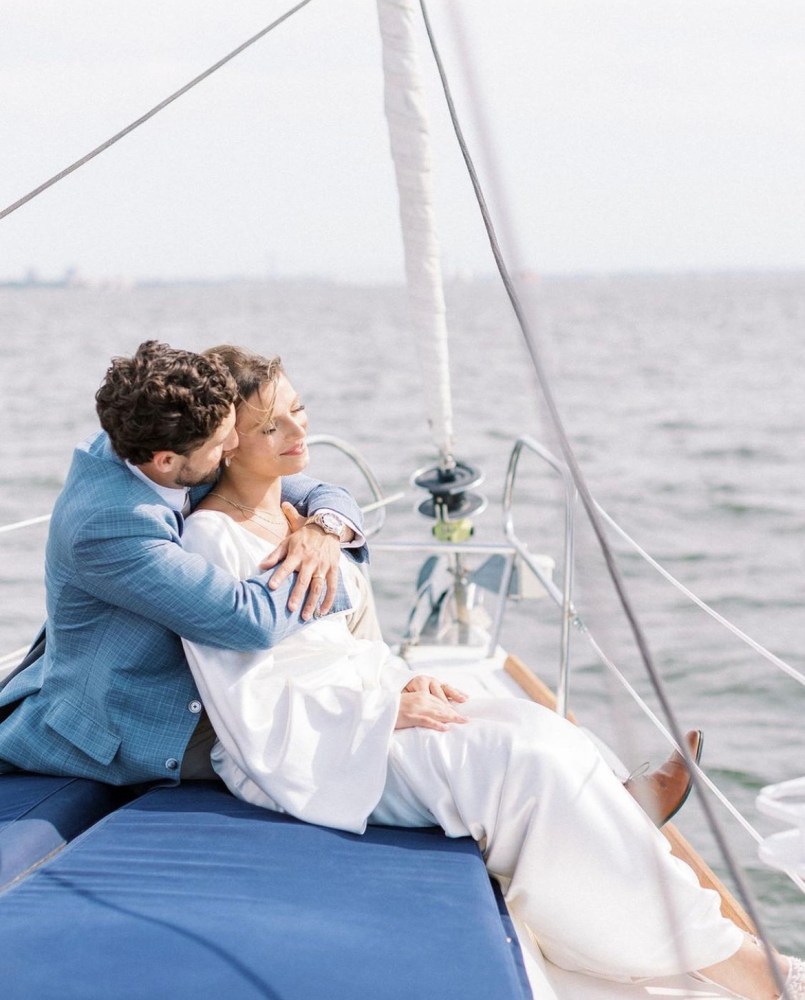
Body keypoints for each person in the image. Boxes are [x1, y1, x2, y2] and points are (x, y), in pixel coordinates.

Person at [180, 344, 802, 1000]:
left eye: (300, 411)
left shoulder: (302, 519)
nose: (300, 433)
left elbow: (342, 644)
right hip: (310, 746)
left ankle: (619, 881)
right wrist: (378, 712)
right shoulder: (211, 541)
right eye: (272, 426)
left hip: (366, 699)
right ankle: (737, 960)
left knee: (548, 735)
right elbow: (245, 695)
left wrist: (399, 683)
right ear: (224, 442)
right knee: (523, 760)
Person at [0, 341, 367, 785]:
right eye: (221, 443)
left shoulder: (166, 435)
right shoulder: (110, 526)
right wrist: (335, 574)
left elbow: (323, 494)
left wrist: (322, 533)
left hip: (203, 668)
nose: (234, 445)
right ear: (167, 461)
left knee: (369, 712)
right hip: (139, 721)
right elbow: (247, 620)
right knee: (357, 742)